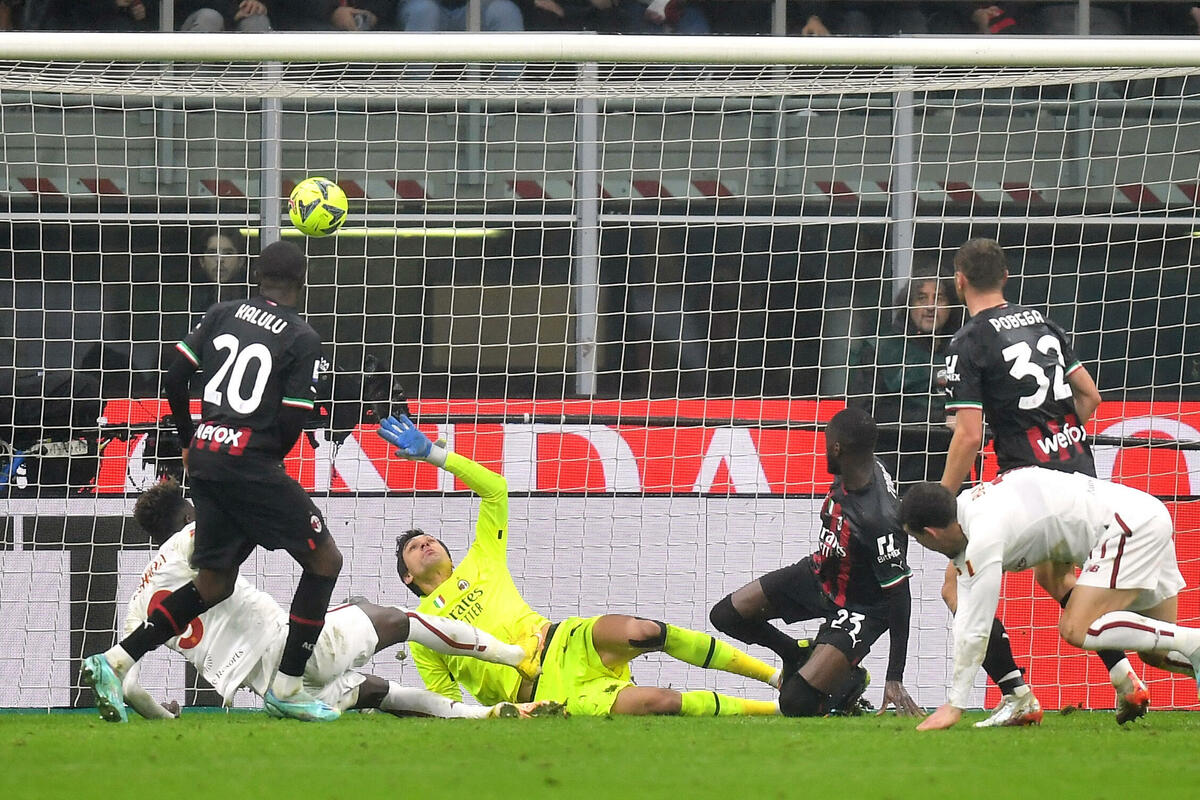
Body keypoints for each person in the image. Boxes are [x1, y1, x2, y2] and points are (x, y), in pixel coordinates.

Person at [81, 240, 346, 723]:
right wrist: (263, 462)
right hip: (250, 465)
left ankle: (115, 661)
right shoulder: (302, 337)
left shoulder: (222, 312)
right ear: (303, 280)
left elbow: (174, 377)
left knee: (214, 582)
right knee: (325, 561)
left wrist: (189, 439)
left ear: (256, 274)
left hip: (206, 457)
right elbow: (293, 418)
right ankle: (287, 687)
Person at [378, 414, 783, 717]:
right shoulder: (420, 627)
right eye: (414, 547)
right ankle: (781, 710)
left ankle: (775, 677)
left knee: (647, 631)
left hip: (564, 640)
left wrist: (435, 455)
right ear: (408, 576)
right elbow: (445, 701)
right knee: (660, 702)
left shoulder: (482, 561)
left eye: (430, 539)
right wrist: (496, 715)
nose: (426, 543)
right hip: (545, 692)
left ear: (449, 553)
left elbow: (495, 490)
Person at [118, 478, 553, 721]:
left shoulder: (139, 601)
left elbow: (130, 686)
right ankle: (518, 657)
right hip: (293, 651)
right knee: (402, 619)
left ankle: (488, 715)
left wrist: (164, 716)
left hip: (268, 692)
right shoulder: (194, 534)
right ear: (188, 513)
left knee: (386, 694)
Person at [939, 237, 1143, 727]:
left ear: (959, 282)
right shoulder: (1042, 323)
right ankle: (1125, 679)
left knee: (955, 584)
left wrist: (942, 501)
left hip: (1028, 484)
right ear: (1006, 277)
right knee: (1057, 577)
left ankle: (1017, 695)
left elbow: (968, 435)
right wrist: (1059, 441)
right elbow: (1090, 396)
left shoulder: (968, 342)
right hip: (1078, 469)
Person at [900, 470, 1200, 731]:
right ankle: (1185, 647)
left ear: (930, 533)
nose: (922, 545)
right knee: (1157, 654)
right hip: (1147, 511)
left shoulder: (985, 535)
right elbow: (967, 616)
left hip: (1128, 528)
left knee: (1076, 628)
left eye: (917, 539)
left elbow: (977, 627)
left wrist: (955, 705)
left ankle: (1193, 641)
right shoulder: (970, 511)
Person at [709, 407, 923, 718]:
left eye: (826, 443)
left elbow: (900, 596)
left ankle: (848, 682)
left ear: (837, 449)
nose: (823, 450)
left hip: (861, 606)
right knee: (726, 615)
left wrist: (895, 676)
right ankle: (794, 652)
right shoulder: (859, 464)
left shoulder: (878, 520)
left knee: (794, 704)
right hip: (821, 574)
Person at [848, 268, 964, 488]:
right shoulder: (880, 350)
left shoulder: (964, 349)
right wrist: (938, 419)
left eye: (939, 298)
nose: (930, 306)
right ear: (908, 305)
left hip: (952, 475)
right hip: (897, 472)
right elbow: (864, 414)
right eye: (922, 298)